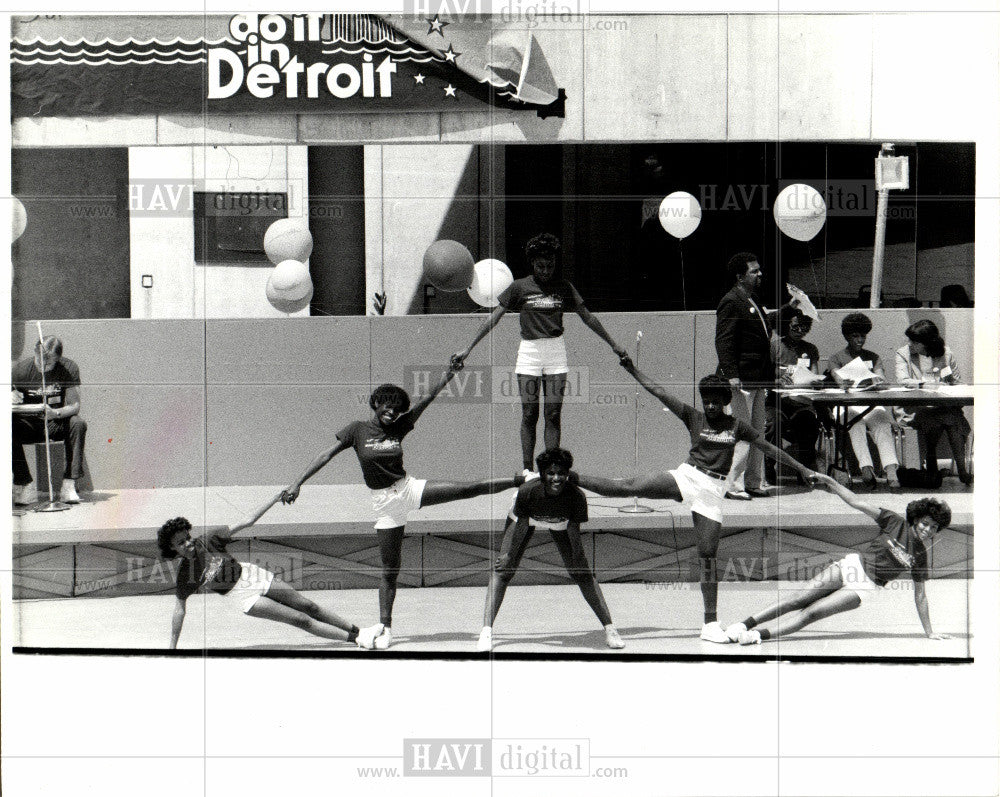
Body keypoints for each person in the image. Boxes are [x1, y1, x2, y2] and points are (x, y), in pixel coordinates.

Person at [573, 358, 820, 643]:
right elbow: (659, 392)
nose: (710, 406)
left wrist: (803, 469)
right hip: (687, 476)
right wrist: (632, 369)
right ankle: (570, 477)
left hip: (712, 491)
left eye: (716, 401)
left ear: (726, 400)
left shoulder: (738, 426)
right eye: (706, 401)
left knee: (707, 556)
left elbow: (768, 448)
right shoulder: (694, 417)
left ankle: (710, 624)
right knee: (629, 486)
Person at [280, 362, 520, 649]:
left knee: (467, 488)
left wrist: (448, 375)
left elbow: (426, 401)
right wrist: (297, 483)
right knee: (390, 569)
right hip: (384, 505)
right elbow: (325, 455)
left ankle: (520, 479)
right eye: (387, 406)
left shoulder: (400, 427)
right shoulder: (357, 430)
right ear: (376, 404)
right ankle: (386, 627)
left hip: (408, 489)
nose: (392, 412)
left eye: (397, 409)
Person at [451, 233, 628, 478]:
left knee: (553, 414)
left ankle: (552, 469)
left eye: (550, 265)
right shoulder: (519, 287)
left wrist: (614, 344)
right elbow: (494, 318)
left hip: (556, 352)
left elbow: (588, 317)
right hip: (529, 353)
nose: (545, 270)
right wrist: (468, 347)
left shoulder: (564, 287)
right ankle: (527, 470)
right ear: (532, 264)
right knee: (529, 413)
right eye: (540, 266)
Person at [724, 473, 953, 645]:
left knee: (811, 614)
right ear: (915, 519)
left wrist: (929, 631)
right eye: (925, 523)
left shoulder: (920, 555)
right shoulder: (894, 521)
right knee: (798, 599)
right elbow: (856, 501)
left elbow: (920, 595)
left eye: (934, 527)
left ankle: (757, 636)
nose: (927, 530)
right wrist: (829, 481)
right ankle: (744, 624)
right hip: (851, 567)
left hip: (866, 587)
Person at [158, 494, 382, 649]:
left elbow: (247, 521)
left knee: (307, 605)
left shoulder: (208, 539)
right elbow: (179, 610)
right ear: (172, 549)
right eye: (181, 543)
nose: (188, 543)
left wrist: (275, 499)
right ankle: (357, 639)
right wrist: (172, 647)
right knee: (299, 619)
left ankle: (360, 631)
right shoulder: (185, 574)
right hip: (242, 597)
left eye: (187, 537)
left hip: (251, 575)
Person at [477, 447, 625, 652]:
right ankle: (486, 631)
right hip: (525, 519)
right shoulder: (528, 491)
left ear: (568, 474)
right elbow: (521, 524)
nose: (557, 478)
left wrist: (578, 558)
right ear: (542, 475)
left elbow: (573, 529)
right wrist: (510, 555)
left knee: (583, 574)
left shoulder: (577, 496)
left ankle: (610, 629)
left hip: (560, 522)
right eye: (551, 473)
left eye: (562, 473)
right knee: (503, 570)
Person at [714, 253, 798, 499]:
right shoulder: (731, 301)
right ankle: (732, 485)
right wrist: (731, 374)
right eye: (754, 271)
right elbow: (724, 339)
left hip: (759, 378)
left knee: (757, 434)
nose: (760, 274)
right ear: (740, 277)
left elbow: (764, 323)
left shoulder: (752, 299)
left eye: (759, 270)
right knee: (741, 433)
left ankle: (753, 482)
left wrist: (788, 309)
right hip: (741, 379)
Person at [826, 313, 900, 489]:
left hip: (870, 402)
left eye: (863, 336)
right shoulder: (836, 358)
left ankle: (891, 470)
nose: (860, 340)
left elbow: (880, 376)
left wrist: (878, 380)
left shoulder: (873, 357)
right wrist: (843, 381)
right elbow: (836, 376)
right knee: (854, 423)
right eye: (855, 336)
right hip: (847, 403)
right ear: (847, 337)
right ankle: (866, 467)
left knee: (882, 423)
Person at [894, 319, 972, 485]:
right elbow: (902, 381)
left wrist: (955, 385)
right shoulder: (903, 354)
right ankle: (951, 467)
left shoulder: (946, 353)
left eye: (915, 342)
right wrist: (924, 384)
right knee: (944, 417)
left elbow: (957, 380)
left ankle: (949, 467)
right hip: (915, 407)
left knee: (951, 417)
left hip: (943, 405)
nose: (910, 344)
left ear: (927, 344)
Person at [12, 335, 87, 505]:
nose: (44, 367)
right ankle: (25, 485)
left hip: (54, 421)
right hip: (28, 424)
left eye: (49, 363)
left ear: (58, 359)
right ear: (34, 352)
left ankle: (69, 484)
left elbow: (75, 405)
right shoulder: (20, 370)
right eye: (40, 362)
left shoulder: (68, 368)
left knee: (78, 424)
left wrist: (55, 413)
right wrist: (10, 395)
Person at [767, 308, 823, 482]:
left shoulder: (810, 349)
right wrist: (779, 378)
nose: (800, 332)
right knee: (773, 423)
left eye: (805, 328)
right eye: (796, 327)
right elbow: (766, 373)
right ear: (786, 325)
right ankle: (769, 466)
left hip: (801, 402)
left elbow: (815, 374)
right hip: (777, 402)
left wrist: (815, 381)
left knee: (809, 423)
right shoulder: (774, 346)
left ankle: (804, 470)